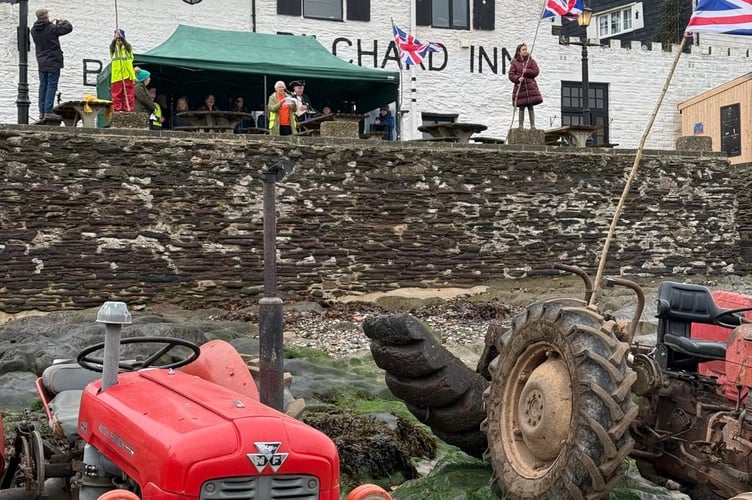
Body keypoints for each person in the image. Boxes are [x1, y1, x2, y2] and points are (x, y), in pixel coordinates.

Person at [30, 8, 73, 121]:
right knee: (51, 86)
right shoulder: (51, 28)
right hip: (53, 61)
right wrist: (63, 20)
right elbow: (68, 28)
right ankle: (48, 111)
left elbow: (46, 29)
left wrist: (50, 22)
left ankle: (42, 112)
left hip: (41, 61)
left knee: (42, 86)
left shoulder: (34, 30)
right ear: (46, 16)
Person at [508, 43, 542, 129]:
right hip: (521, 89)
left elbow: (536, 71)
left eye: (526, 49)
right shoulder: (515, 63)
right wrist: (517, 78)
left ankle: (533, 125)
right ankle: (520, 126)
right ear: (519, 52)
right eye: (523, 50)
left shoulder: (531, 61)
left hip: (530, 87)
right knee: (521, 106)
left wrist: (526, 71)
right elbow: (511, 75)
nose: (525, 51)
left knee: (530, 106)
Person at [109, 29, 136, 112]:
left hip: (127, 75)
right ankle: (118, 111)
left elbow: (127, 46)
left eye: (120, 39)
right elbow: (112, 46)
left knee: (128, 95)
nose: (118, 41)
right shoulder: (113, 48)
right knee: (116, 95)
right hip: (116, 76)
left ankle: (128, 110)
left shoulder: (128, 48)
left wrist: (122, 38)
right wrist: (115, 39)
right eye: (117, 39)